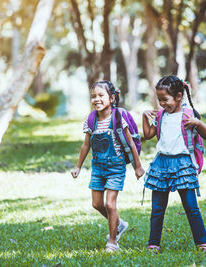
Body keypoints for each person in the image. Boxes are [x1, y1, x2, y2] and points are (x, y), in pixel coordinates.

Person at [71, 80, 145, 252]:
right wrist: (78, 167)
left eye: (101, 95)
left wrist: (137, 167)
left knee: (110, 205)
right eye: (93, 96)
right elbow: (86, 145)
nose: (96, 99)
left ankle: (112, 242)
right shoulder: (91, 120)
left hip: (116, 166)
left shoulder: (118, 118)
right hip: (98, 167)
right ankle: (118, 223)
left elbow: (131, 144)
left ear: (112, 98)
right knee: (97, 204)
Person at [142, 75, 206, 252]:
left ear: (179, 96)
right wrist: (144, 117)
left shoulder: (189, 116)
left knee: (191, 206)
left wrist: (198, 123)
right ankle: (153, 244)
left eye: (165, 99)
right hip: (161, 165)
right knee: (157, 208)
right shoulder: (161, 115)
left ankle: (202, 242)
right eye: (159, 100)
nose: (162, 104)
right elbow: (149, 134)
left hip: (183, 165)